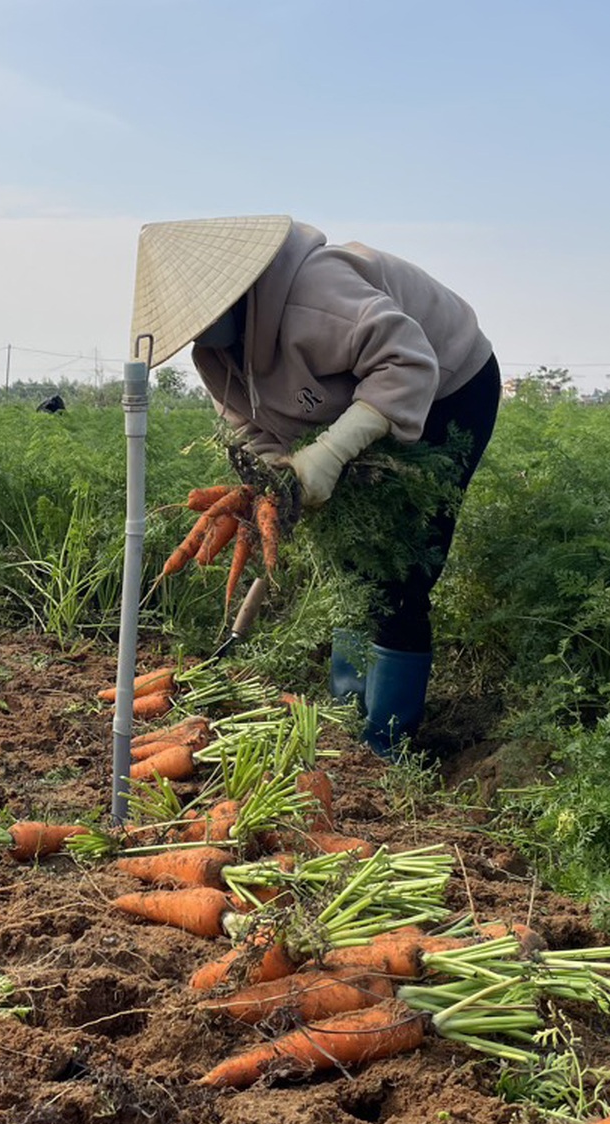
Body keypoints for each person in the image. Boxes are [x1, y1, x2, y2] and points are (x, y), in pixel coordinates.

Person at [130, 215, 500, 756]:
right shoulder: (215, 358)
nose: (198, 336)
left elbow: (408, 363)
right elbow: (249, 426)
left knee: (400, 567)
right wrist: (272, 484)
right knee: (351, 563)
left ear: (236, 294)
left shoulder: (314, 293)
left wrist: (330, 452)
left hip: (448, 389)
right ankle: (350, 714)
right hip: (359, 400)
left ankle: (386, 742)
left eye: (204, 318)